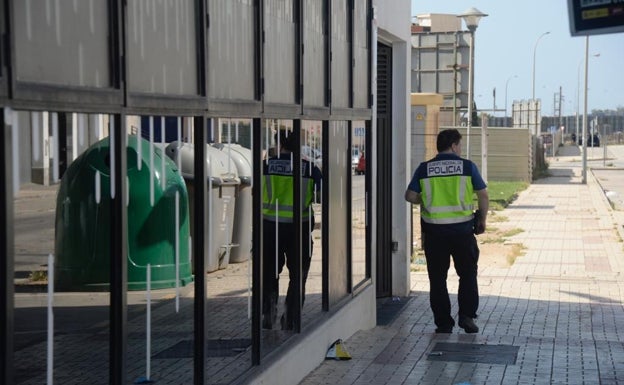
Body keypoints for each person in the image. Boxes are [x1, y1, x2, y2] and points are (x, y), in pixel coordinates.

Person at [404, 128, 488, 334]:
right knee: (467, 275)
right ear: (453, 145)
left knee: (437, 278)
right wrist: (482, 220)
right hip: (462, 232)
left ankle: (443, 323)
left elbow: (409, 196)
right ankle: (467, 317)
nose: (460, 149)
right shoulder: (467, 167)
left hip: (434, 234)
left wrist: (425, 200)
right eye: (459, 145)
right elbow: (483, 195)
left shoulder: (424, 169)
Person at [262, 130, 322, 330]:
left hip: (271, 227)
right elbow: (321, 196)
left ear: (279, 144)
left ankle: (269, 315)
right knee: (298, 275)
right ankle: (291, 318)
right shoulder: (309, 168)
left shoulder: (266, 166)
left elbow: (255, 193)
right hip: (299, 229)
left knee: (270, 273)